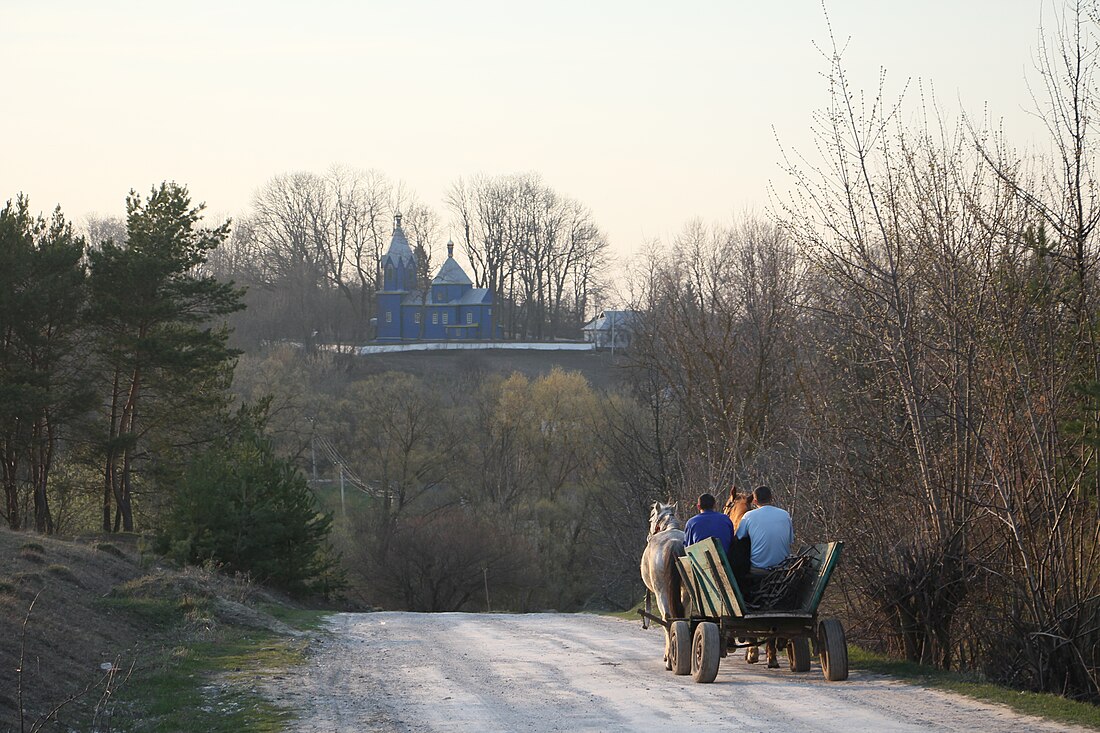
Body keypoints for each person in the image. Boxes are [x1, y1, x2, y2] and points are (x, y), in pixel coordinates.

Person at [735, 485, 794, 572]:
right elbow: (790, 540)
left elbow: (739, 537)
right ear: (771, 498)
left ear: (754, 501)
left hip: (758, 567)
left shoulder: (748, 516)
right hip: (783, 566)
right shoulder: (785, 514)